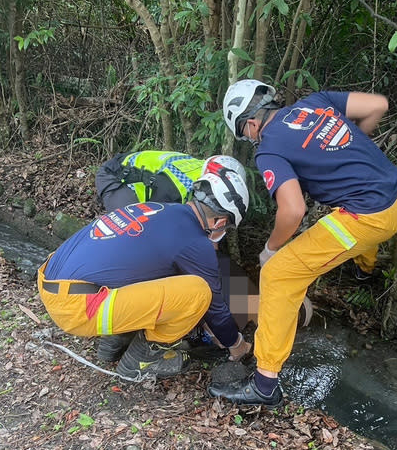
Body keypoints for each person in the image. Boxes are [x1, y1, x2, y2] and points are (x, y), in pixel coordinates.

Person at [209, 79, 397, 406]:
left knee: (278, 274)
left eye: (245, 134)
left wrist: (271, 249)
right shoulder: (316, 101)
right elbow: (377, 105)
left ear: (250, 122)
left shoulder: (270, 148)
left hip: (368, 217)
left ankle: (264, 383)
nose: (250, 139)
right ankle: (365, 270)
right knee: (340, 219)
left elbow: (293, 211)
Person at [38, 158, 253, 380]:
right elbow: (215, 308)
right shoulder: (195, 243)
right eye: (227, 226)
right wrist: (236, 345)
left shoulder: (156, 208)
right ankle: (142, 359)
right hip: (76, 308)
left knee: (156, 271)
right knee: (199, 293)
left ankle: (114, 342)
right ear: (219, 222)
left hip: (51, 279)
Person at [95, 150, 207, 211]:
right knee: (132, 229)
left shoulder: (207, 168)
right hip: (116, 174)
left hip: (139, 165)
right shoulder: (173, 190)